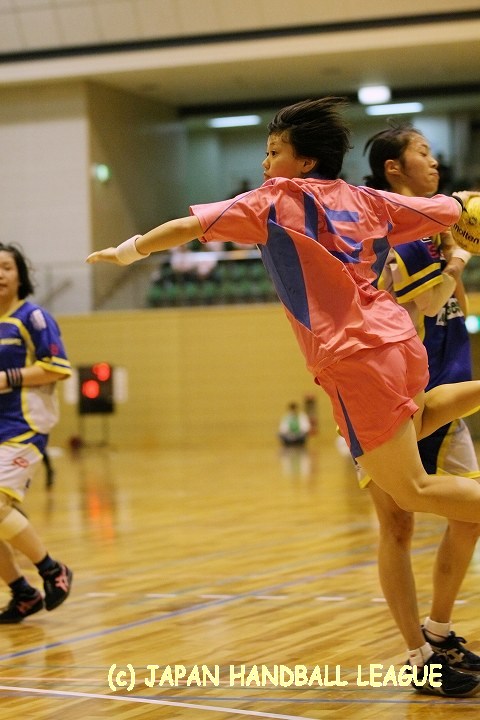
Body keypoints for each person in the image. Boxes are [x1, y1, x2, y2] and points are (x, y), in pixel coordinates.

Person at [87, 97, 480, 696]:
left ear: (305, 160)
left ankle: (422, 649)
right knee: (419, 418)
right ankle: (425, 647)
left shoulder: (272, 201)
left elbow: (189, 228)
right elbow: (447, 209)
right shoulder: (367, 199)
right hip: (400, 343)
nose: (265, 163)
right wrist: (465, 202)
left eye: (274, 151)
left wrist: (129, 250)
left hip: (352, 356)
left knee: (411, 491)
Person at [360, 124, 480, 681]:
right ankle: (417, 655)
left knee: (469, 516)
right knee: (397, 526)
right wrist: (459, 258)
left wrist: (457, 245)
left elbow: (455, 311)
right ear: (394, 168)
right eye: (423, 153)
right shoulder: (395, 232)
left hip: (445, 392)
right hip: (391, 400)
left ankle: (438, 629)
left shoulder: (435, 232)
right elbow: (429, 304)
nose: (435, 162)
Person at [0, 243, 73, 623]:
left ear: (20, 276)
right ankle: (23, 593)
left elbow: (57, 367)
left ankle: (52, 570)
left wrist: (7, 378)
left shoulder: (34, 317)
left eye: (6, 267)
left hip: (23, 428)